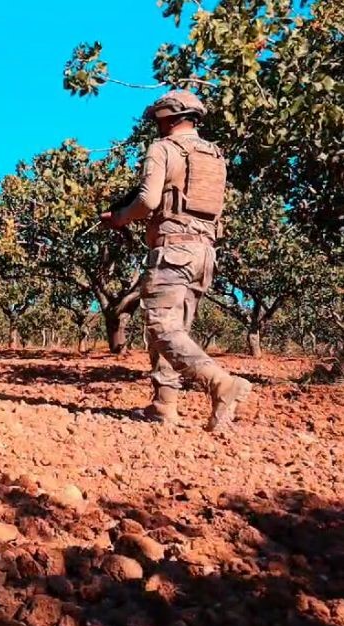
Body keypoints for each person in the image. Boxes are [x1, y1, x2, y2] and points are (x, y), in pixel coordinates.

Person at [101, 89, 252, 431]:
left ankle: (221, 384)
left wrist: (121, 217)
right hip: (204, 252)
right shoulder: (215, 156)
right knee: (175, 328)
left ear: (168, 117)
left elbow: (148, 200)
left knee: (160, 325)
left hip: (174, 248)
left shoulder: (163, 149)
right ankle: (163, 404)